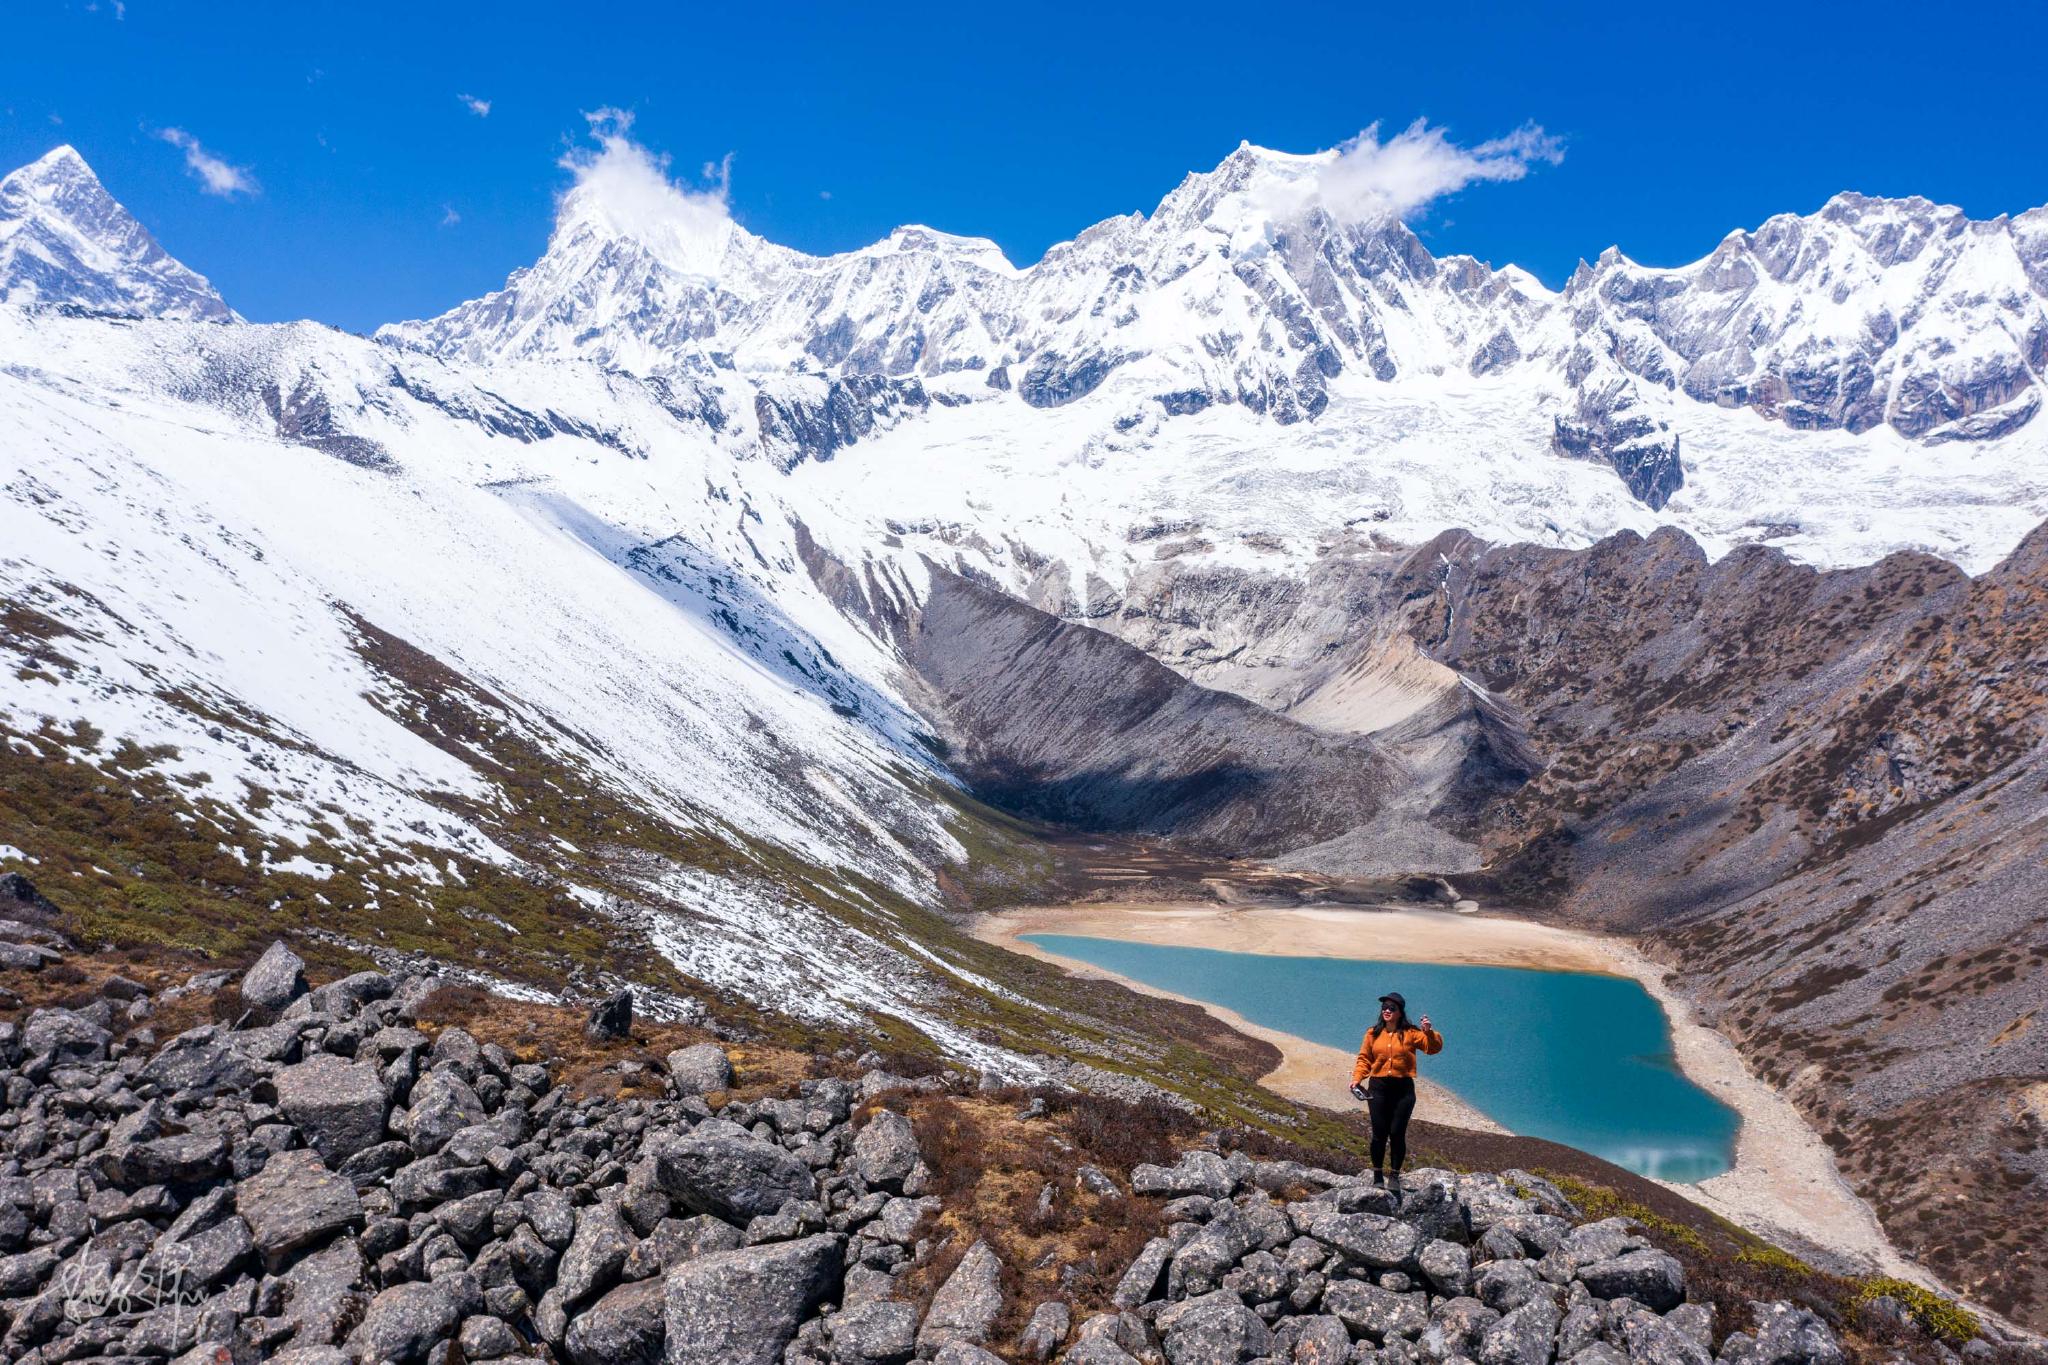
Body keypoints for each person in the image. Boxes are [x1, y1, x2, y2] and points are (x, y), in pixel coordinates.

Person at [1348, 991, 1442, 1191]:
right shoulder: (1372, 1033)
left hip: (1403, 1091)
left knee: (1397, 1133)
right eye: (1384, 1007)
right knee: (1378, 1134)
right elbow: (1364, 1059)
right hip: (1378, 1089)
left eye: (1392, 1008)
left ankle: (1395, 1177)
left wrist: (1429, 1032)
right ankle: (1377, 1176)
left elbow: (1432, 1048)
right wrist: (1356, 1080)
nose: (1387, 1011)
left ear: (1400, 1012)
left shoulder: (1412, 1033)